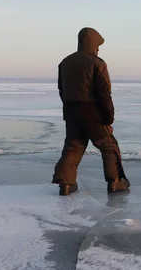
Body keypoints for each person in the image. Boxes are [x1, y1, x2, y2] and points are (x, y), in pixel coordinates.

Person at [52, 27, 130, 196]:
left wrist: (71, 108)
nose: (98, 49)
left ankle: (66, 185)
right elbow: (104, 93)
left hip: (72, 113)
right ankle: (115, 182)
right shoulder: (96, 63)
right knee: (109, 146)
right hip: (92, 114)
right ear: (91, 43)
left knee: (73, 147)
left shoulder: (65, 62)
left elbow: (61, 90)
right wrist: (108, 116)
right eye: (98, 45)